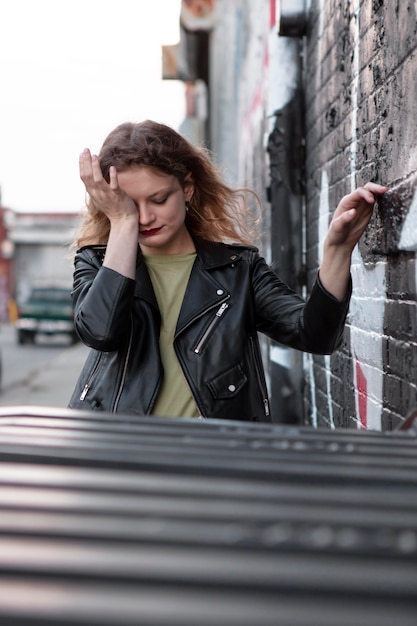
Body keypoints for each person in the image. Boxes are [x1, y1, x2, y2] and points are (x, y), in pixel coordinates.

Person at [68, 119, 387, 422]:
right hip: (118, 452)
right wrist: (122, 224)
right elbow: (101, 332)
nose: (146, 217)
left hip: (215, 456)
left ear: (187, 188)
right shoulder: (96, 263)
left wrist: (338, 249)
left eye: (159, 199)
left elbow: (315, 335)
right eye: (129, 205)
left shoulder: (237, 270)